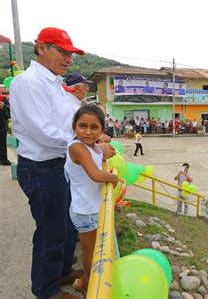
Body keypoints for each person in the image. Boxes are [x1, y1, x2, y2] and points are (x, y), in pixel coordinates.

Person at [10, 27, 116, 299]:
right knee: (51, 231)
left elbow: (73, 123)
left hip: (60, 166)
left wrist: (94, 140)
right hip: (41, 168)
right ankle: (45, 291)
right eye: (62, 51)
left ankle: (59, 273)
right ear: (41, 48)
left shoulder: (55, 84)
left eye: (70, 53)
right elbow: (44, 133)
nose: (68, 58)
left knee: (66, 225)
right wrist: (87, 148)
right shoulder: (29, 82)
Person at [65, 105, 119, 296]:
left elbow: (98, 152)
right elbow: (96, 175)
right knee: (92, 254)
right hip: (85, 211)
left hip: (93, 207)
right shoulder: (77, 147)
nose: (88, 132)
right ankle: (88, 285)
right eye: (82, 126)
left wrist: (103, 147)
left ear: (102, 130)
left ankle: (84, 281)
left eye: (94, 127)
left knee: (99, 251)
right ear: (74, 126)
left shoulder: (93, 146)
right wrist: (114, 177)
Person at [0, 95, 11, 165]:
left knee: (2, 143)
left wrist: (3, 107)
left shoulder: (2, 98)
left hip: (2, 125)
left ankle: (3, 159)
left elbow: (10, 110)